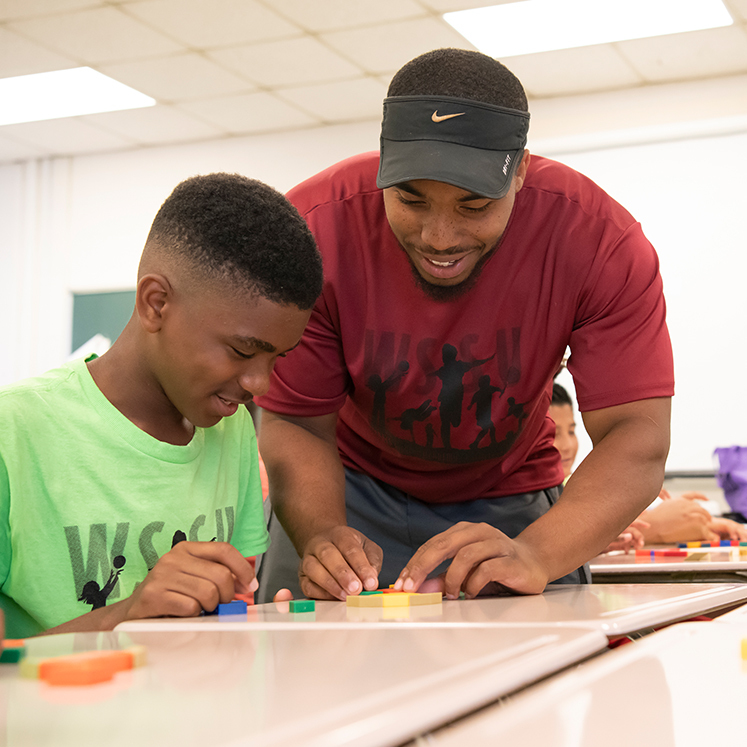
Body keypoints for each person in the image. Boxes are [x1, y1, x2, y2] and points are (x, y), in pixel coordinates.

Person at [255, 47, 674, 604]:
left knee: (541, 681)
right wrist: (324, 536)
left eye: (474, 206)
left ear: (520, 170)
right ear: (383, 164)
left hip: (512, 499)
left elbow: (636, 436)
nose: (439, 237)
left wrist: (539, 553)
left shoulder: (599, 244)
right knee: (305, 672)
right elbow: (299, 424)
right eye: (410, 199)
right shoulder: (311, 233)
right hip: (344, 490)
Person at [0, 173, 323, 638]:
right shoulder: (16, 432)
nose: (262, 384)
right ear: (156, 303)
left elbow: (229, 609)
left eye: (277, 357)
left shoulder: (231, 431)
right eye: (242, 350)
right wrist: (122, 615)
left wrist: (261, 634)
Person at [550, 382, 747, 548]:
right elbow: (562, 542)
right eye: (553, 434)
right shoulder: (542, 499)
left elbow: (618, 524)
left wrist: (699, 520)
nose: (567, 445)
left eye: (571, 432)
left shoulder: (579, 486)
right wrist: (657, 526)